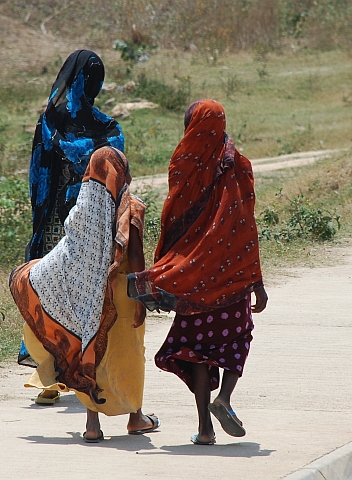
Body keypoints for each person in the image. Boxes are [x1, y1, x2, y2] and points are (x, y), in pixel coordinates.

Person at [128, 99, 268, 445]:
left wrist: (166, 265)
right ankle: (226, 399)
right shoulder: (239, 165)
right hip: (232, 276)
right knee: (237, 337)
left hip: (191, 280)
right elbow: (246, 226)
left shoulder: (184, 162)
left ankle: (205, 428)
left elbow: (171, 217)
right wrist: (257, 282)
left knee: (198, 351)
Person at [10, 146, 160, 443]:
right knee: (128, 355)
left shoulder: (79, 214)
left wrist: (31, 274)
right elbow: (137, 260)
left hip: (86, 300)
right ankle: (136, 417)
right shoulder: (132, 209)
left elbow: (64, 255)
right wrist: (147, 297)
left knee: (89, 353)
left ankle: (92, 425)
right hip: (122, 300)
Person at [19, 49, 125, 404]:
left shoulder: (70, 124)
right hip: (77, 226)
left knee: (68, 293)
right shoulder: (97, 127)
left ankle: (64, 371)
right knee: (67, 293)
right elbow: (118, 181)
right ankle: (54, 374)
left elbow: (41, 176)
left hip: (75, 225)